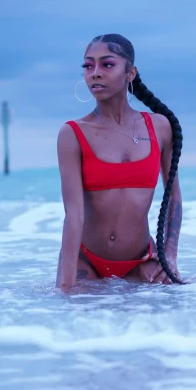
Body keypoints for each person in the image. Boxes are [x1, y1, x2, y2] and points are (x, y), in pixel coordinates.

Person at [56, 33, 183, 291]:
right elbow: (74, 214)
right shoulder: (72, 133)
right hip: (87, 261)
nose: (95, 73)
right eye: (88, 65)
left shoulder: (159, 127)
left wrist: (169, 256)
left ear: (131, 73)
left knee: (177, 303)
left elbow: (174, 198)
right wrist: (65, 286)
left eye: (107, 64)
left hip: (141, 260)